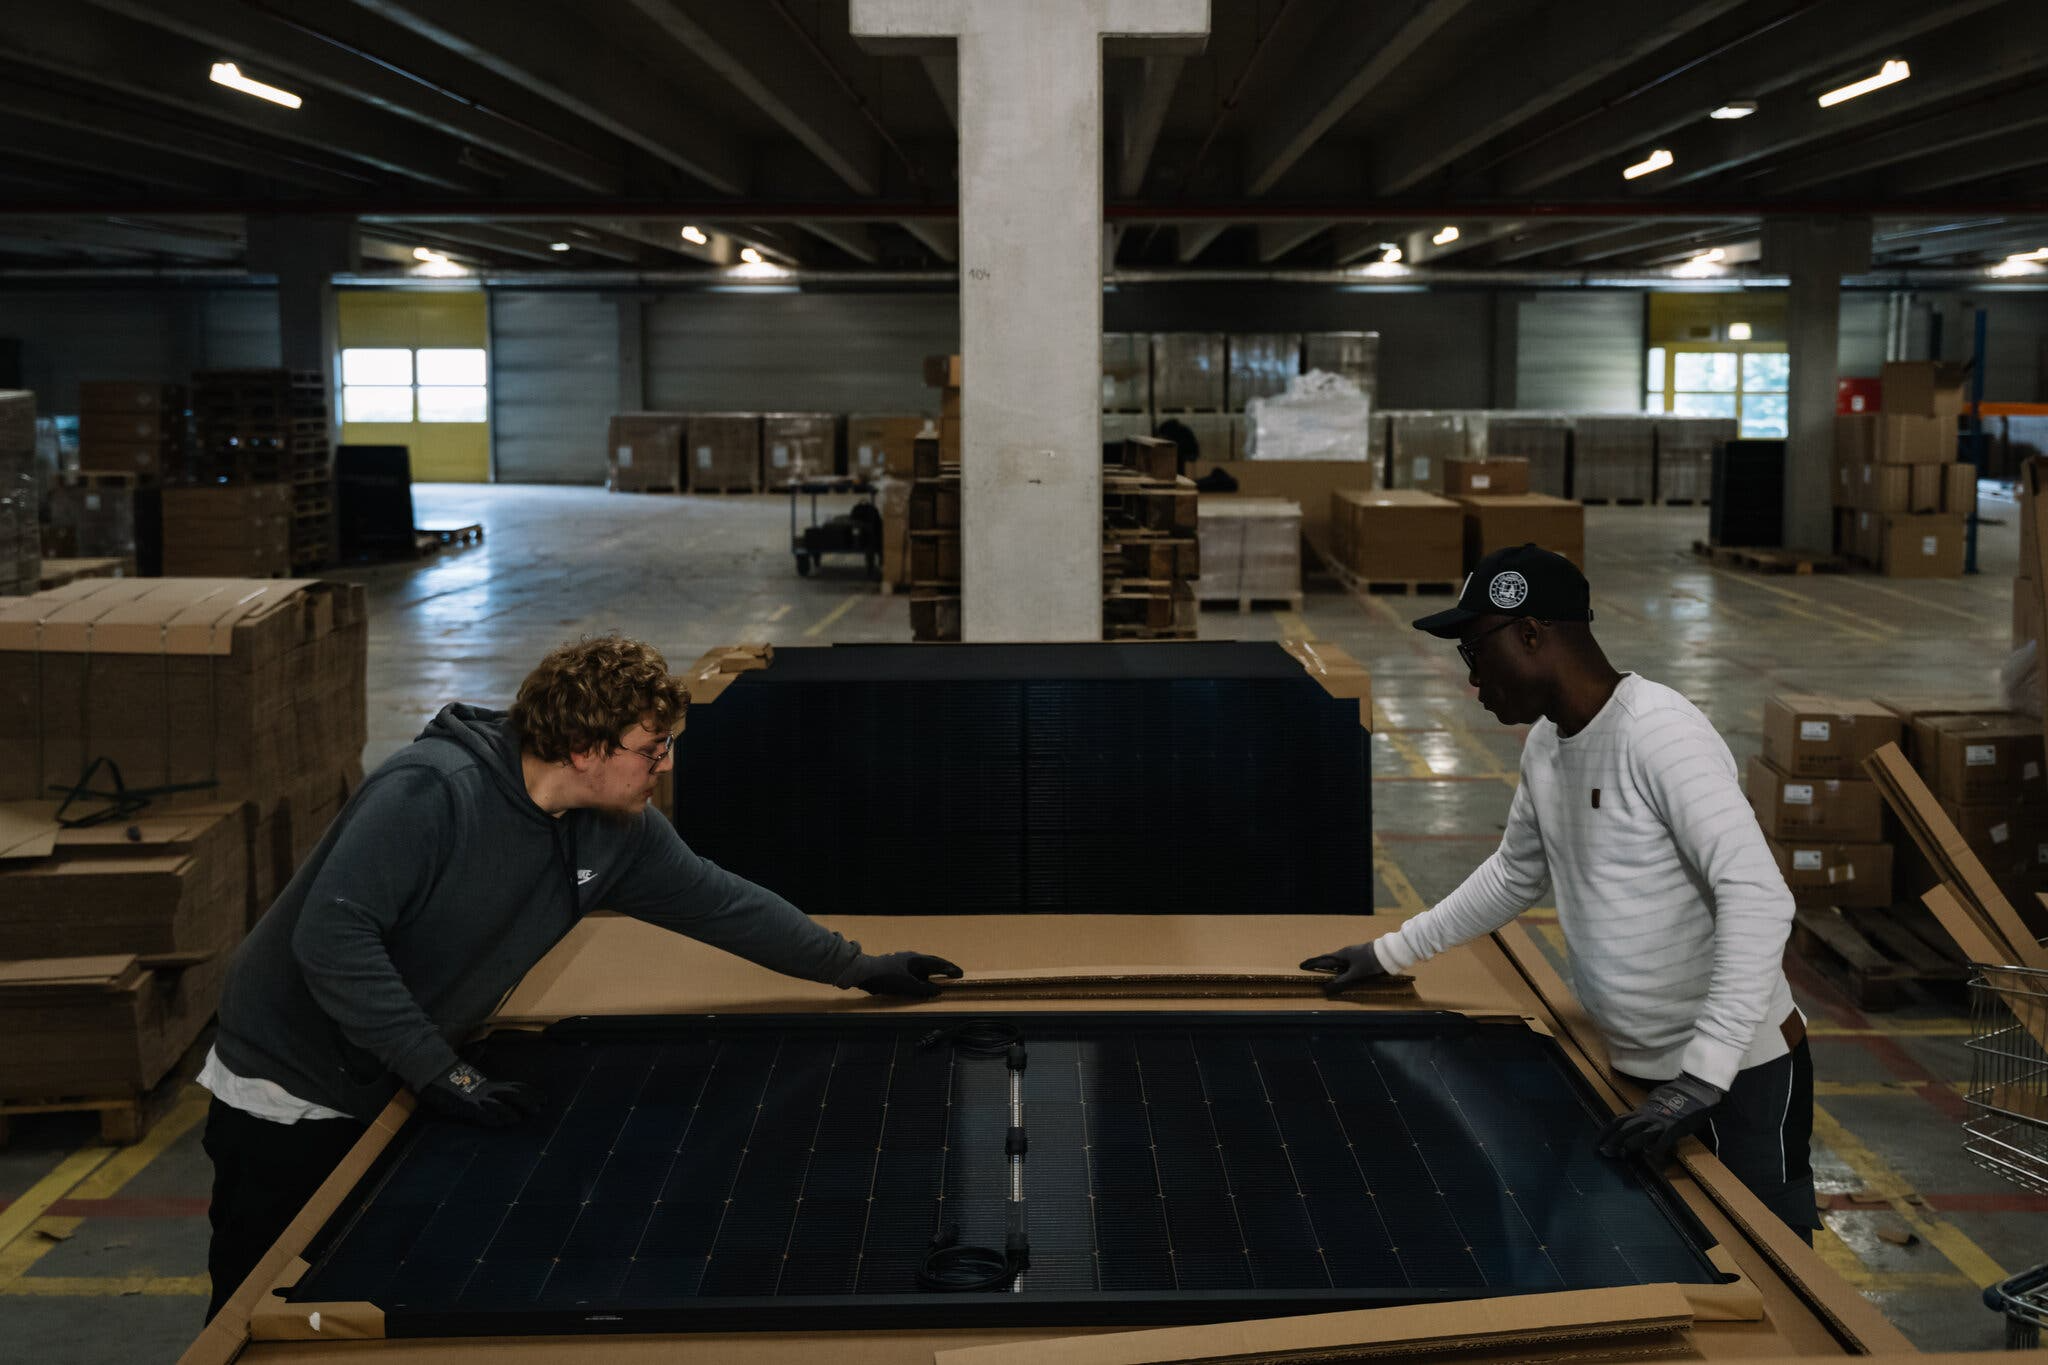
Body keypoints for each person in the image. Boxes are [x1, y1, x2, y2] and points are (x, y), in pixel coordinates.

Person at [198, 635, 963, 1320]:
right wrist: (444, 1074)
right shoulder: (432, 794)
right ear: (584, 746)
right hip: (289, 1088)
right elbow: (332, 941)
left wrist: (857, 966)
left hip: (393, 1071)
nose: (665, 765)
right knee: (258, 1302)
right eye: (652, 747)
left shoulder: (616, 832)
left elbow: (723, 904)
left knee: (351, 1288)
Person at [1300, 544, 1816, 1240]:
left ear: (1533, 633)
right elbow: (1515, 873)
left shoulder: (1659, 733)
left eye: (1475, 653)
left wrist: (1705, 1073)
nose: (1473, 681)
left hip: (1740, 1078)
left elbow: (1758, 895)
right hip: (1645, 1071)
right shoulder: (1548, 744)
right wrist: (1391, 951)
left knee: (1773, 1268)